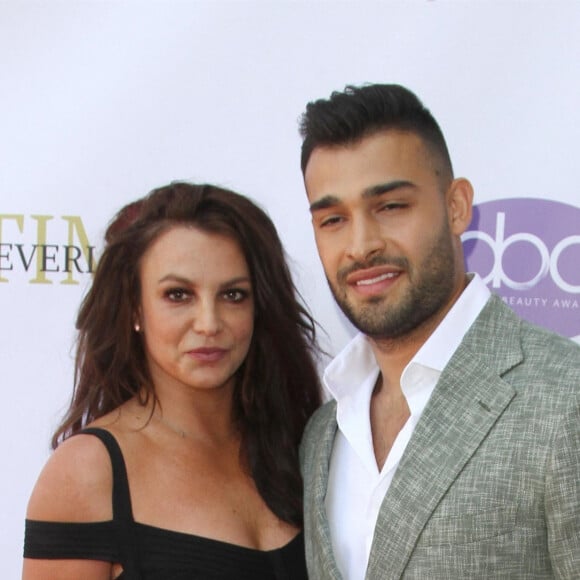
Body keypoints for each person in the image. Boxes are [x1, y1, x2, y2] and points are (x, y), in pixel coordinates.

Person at [298, 84, 580, 579]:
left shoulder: (564, 397)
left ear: (457, 206)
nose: (361, 246)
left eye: (390, 207)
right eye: (334, 219)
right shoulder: (323, 433)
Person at [23, 182, 322, 579]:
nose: (209, 323)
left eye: (233, 295)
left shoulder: (302, 446)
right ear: (135, 307)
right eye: (178, 295)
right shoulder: (90, 473)